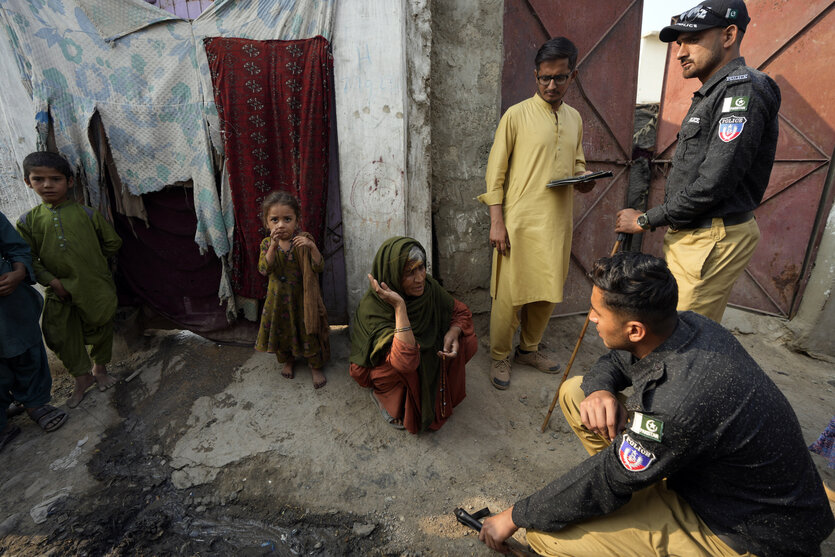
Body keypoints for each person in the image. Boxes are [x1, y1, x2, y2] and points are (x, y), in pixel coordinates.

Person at [479, 252, 834, 557]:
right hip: (712, 477)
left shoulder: (676, 404)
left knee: (547, 537)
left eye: (596, 312)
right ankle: (642, 482)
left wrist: (514, 516)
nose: (591, 318)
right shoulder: (689, 326)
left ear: (634, 330)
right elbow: (618, 363)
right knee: (578, 391)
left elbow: (608, 478)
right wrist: (600, 390)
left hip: (748, 533)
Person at [615, 0, 780, 323]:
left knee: (680, 338)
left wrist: (646, 220)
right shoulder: (713, 93)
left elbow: (714, 183)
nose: (680, 52)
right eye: (679, 43)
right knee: (674, 329)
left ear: (729, 35)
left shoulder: (740, 91)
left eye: (692, 40)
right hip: (695, 235)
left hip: (709, 238)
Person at [478, 37, 596, 390]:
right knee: (509, 294)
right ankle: (500, 355)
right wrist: (496, 222)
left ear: (571, 77)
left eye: (559, 78)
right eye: (544, 77)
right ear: (535, 76)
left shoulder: (575, 118)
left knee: (547, 290)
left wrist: (586, 180)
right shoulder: (516, 115)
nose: (550, 85)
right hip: (518, 222)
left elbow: (577, 165)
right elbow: (494, 174)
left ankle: (528, 349)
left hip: (558, 222)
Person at [17, 152, 122, 409]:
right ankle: (81, 377)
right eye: (38, 179)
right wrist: (52, 281)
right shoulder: (27, 222)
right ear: (27, 182)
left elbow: (112, 242)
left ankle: (100, 369)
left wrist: (91, 265)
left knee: (101, 325)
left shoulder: (87, 214)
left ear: (70, 182)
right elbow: (28, 257)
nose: (48, 185)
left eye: (56, 179)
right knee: (59, 333)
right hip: (57, 289)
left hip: (93, 286)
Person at [349, 237, 476, 433]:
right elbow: (405, 362)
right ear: (391, 276)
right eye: (409, 273)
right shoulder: (374, 309)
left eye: (421, 268)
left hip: (419, 356)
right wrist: (400, 307)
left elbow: (461, 312)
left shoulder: (429, 289)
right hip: (395, 366)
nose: (419, 278)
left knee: (466, 340)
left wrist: (454, 331)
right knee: (404, 365)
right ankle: (386, 397)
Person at [1, 211, 68, 452]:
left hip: (9, 308)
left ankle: (35, 404)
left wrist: (18, 273)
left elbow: (17, 249)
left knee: (27, 353)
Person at [254, 191, 329, 389]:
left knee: (308, 331)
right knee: (282, 333)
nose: (281, 225)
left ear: (297, 220)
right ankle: (289, 360)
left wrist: (312, 247)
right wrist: (273, 246)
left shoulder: (302, 242)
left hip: (302, 300)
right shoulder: (266, 245)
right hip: (278, 302)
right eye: (275, 220)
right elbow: (264, 269)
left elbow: (319, 266)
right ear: (266, 223)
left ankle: (315, 366)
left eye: (287, 219)